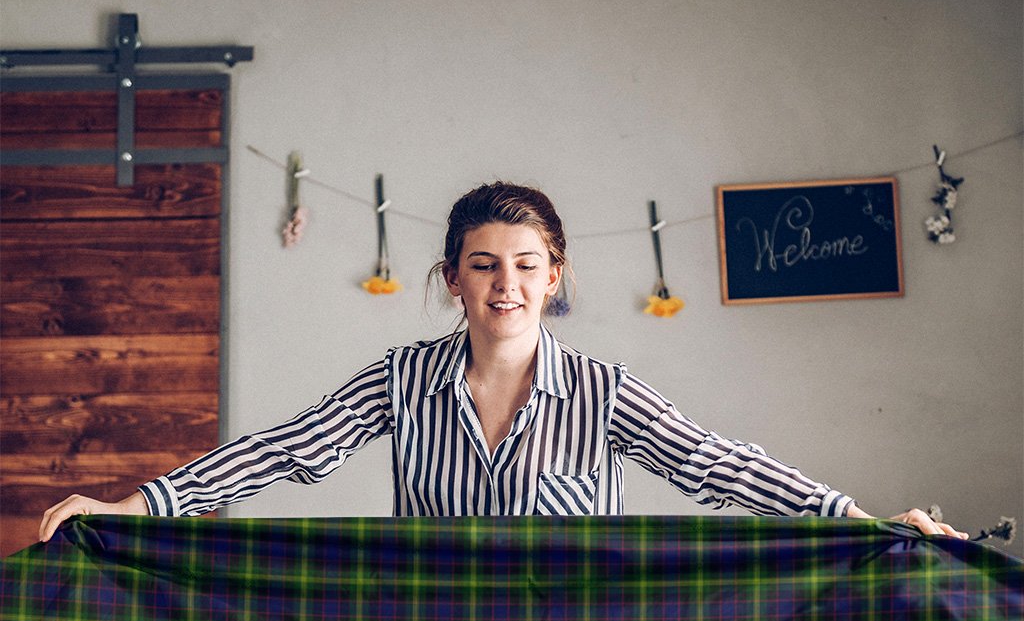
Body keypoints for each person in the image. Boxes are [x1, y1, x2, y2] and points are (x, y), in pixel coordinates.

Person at [39, 182, 968, 542]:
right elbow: (283, 452)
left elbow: (718, 464)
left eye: (527, 267)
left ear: (554, 277)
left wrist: (859, 518)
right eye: (484, 265)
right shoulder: (401, 379)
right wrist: (132, 506)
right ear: (453, 280)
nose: (506, 285)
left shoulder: (604, 394)